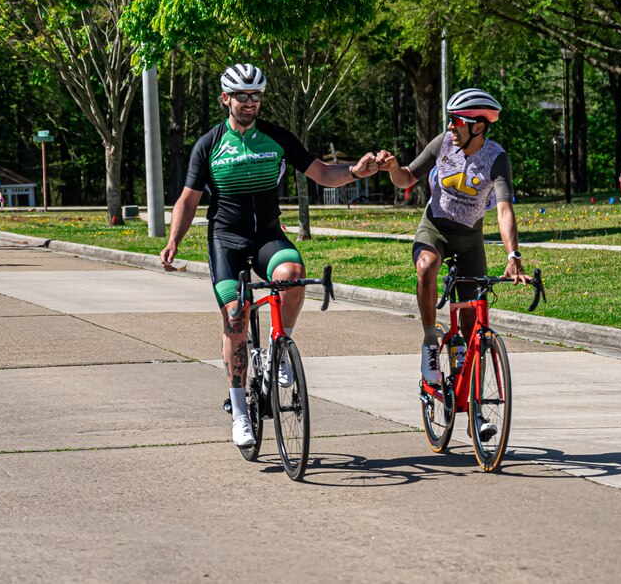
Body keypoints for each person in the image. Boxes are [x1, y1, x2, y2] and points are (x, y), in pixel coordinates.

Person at [159, 63, 380, 448]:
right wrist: (174, 240)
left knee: (293, 275)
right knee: (235, 317)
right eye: (242, 96)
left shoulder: (276, 137)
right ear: (226, 99)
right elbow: (188, 200)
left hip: (267, 237)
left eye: (256, 96)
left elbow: (323, 173)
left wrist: (356, 173)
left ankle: (281, 348)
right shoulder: (209, 144)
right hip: (226, 239)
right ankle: (240, 411)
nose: (250, 103)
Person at [376, 88, 530, 402]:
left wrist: (513, 254)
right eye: (450, 120)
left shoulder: (496, 158)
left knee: (474, 328)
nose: (450, 127)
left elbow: (504, 209)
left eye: (456, 121)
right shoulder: (443, 144)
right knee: (427, 266)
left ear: (478, 126)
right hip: (435, 229)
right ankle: (431, 342)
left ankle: (475, 405)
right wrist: (393, 168)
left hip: (470, 240)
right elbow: (406, 178)